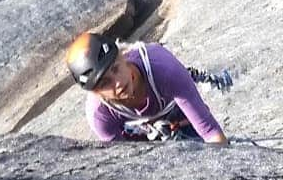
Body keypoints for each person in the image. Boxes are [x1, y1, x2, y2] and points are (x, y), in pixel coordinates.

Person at [65, 32, 229, 145]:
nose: (118, 83)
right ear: (96, 93)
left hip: (175, 108)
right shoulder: (100, 115)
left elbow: (210, 132)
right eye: (105, 83)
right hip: (142, 132)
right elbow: (123, 165)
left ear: (122, 56)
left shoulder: (164, 70)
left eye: (116, 69)